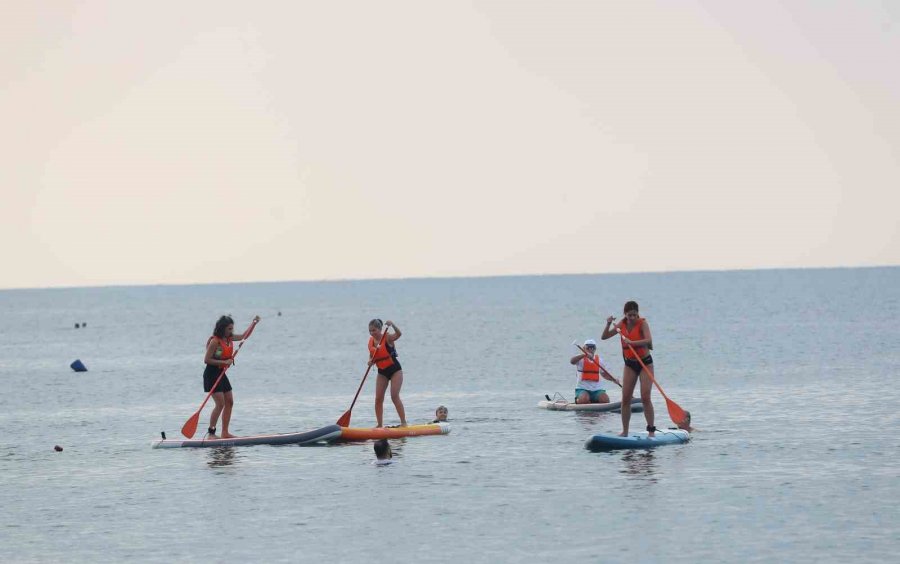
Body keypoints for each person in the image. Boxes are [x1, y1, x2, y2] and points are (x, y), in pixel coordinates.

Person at [601, 301, 656, 436]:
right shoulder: (621, 324)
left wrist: (632, 343)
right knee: (625, 398)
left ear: (638, 314)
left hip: (645, 363)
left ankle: (651, 431)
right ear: (625, 314)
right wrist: (608, 323)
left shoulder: (642, 323)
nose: (632, 318)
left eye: (634, 315)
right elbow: (604, 337)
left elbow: (648, 340)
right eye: (629, 315)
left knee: (645, 397)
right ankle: (625, 431)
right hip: (630, 364)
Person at [203, 314, 260, 439]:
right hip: (211, 375)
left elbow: (244, 336)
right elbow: (206, 360)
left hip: (221, 374)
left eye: (232, 329)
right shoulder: (214, 341)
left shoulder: (229, 338)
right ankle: (211, 434)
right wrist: (224, 363)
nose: (231, 331)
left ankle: (225, 433)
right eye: (229, 329)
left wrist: (253, 323)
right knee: (220, 404)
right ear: (222, 328)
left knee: (230, 402)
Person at [368, 319, 407, 428]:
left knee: (394, 396)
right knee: (378, 398)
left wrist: (393, 324)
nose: (372, 333)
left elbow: (399, 334)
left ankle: (403, 422)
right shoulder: (371, 341)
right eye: (370, 331)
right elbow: (372, 356)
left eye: (374, 330)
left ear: (380, 329)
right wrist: (370, 362)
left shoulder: (387, 337)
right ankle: (379, 425)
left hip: (395, 370)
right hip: (382, 372)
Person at [570, 339, 620, 404]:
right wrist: (584, 355)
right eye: (588, 347)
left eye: (593, 347)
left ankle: (593, 400)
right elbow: (572, 361)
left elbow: (604, 374)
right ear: (584, 348)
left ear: (595, 349)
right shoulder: (580, 359)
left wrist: (613, 379)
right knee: (584, 399)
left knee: (605, 400)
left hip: (597, 390)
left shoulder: (599, 360)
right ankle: (578, 400)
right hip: (582, 389)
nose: (591, 349)